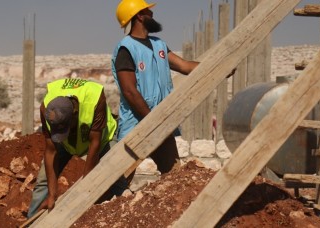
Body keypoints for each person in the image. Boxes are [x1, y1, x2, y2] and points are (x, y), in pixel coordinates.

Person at [111, 0, 199, 175]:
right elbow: (129, 91)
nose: (152, 14)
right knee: (119, 182)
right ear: (139, 16)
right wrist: (152, 121)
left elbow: (184, 66)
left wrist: (214, 66)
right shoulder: (126, 49)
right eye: (148, 12)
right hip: (135, 126)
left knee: (174, 176)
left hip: (161, 122)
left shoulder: (159, 44)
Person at [27, 78, 120, 218]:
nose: (62, 135)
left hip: (102, 139)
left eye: (64, 129)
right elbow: (50, 151)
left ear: (75, 114)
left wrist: (85, 188)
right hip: (70, 144)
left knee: (116, 176)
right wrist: (52, 194)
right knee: (43, 182)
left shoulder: (95, 99)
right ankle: (32, 221)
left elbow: (94, 144)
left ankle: (121, 215)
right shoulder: (47, 108)